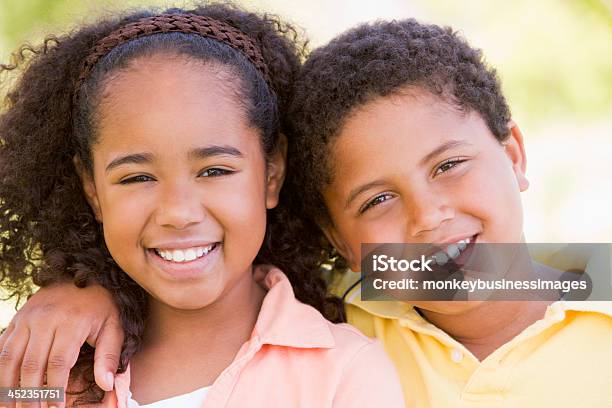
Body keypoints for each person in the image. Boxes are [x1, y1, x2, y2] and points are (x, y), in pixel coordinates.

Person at [4, 17, 612, 408]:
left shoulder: (340, 355)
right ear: (336, 238)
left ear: (514, 155)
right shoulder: (353, 310)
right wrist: (80, 288)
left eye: (450, 165)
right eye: (377, 200)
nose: (428, 217)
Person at [0, 5, 404, 407]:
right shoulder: (43, 368)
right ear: (92, 190)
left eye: (214, 171)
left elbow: (465, 281)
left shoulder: (347, 365)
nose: (178, 211)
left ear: (272, 172)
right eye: (137, 177)